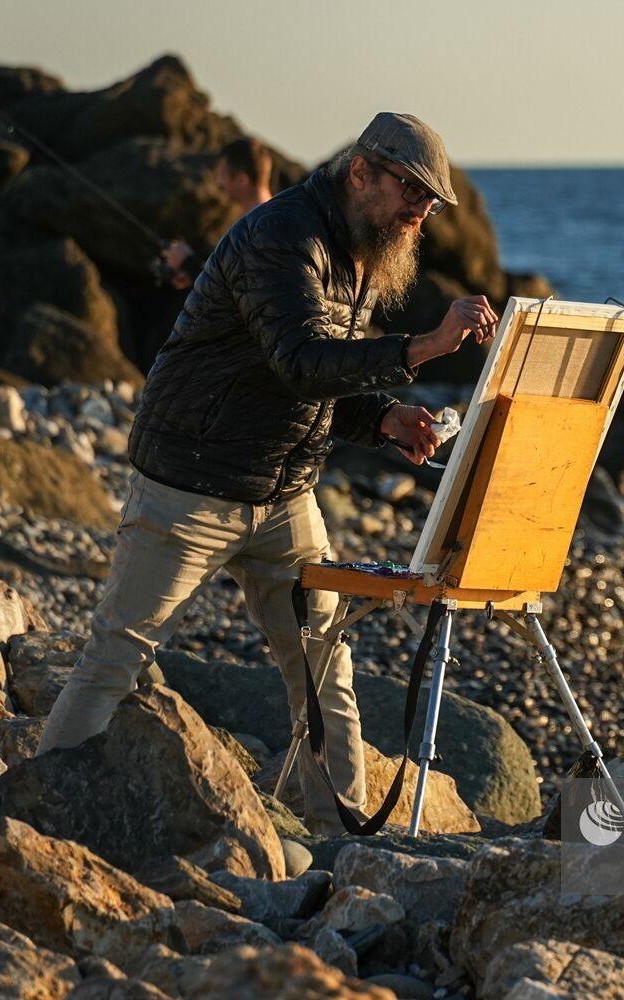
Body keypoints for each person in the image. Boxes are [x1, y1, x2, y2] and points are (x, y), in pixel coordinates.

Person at [38, 112, 500, 837]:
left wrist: (377, 418)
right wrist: (426, 347)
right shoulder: (281, 236)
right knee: (116, 657)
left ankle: (340, 845)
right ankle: (39, 820)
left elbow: (311, 385)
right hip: (191, 480)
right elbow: (301, 359)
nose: (420, 211)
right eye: (410, 189)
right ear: (360, 173)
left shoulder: (366, 249)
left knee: (324, 670)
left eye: (431, 201)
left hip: (284, 494)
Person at [161, 137, 276, 289]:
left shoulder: (263, 227)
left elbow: (243, 288)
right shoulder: (270, 219)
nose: (218, 182)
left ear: (242, 179)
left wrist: (188, 263)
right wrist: (196, 275)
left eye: (222, 175)